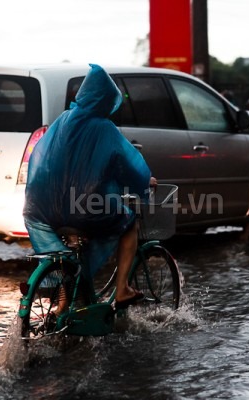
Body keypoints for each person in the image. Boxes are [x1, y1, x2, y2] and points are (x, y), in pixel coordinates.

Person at [23, 64, 155, 311]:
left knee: (62, 258)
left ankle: (64, 302)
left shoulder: (62, 121)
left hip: (39, 209)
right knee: (127, 222)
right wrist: (145, 181)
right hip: (82, 208)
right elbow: (128, 165)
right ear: (107, 101)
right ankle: (123, 289)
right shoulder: (104, 128)